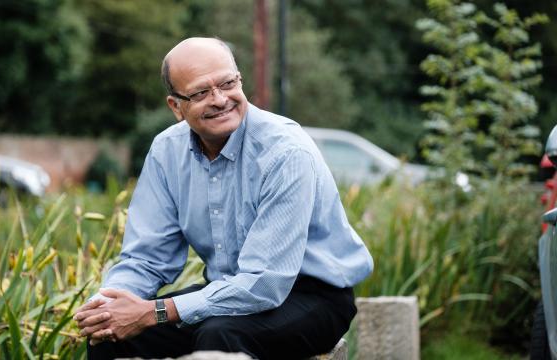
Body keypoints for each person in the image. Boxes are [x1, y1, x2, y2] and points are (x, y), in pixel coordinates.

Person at [73, 37, 373, 360]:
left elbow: (264, 284)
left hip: (314, 296)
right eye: (201, 92)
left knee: (219, 335)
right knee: (109, 338)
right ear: (176, 106)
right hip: (228, 290)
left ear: (239, 80)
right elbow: (146, 258)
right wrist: (107, 306)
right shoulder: (166, 152)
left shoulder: (285, 152)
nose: (220, 99)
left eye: (228, 83)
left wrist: (154, 311)